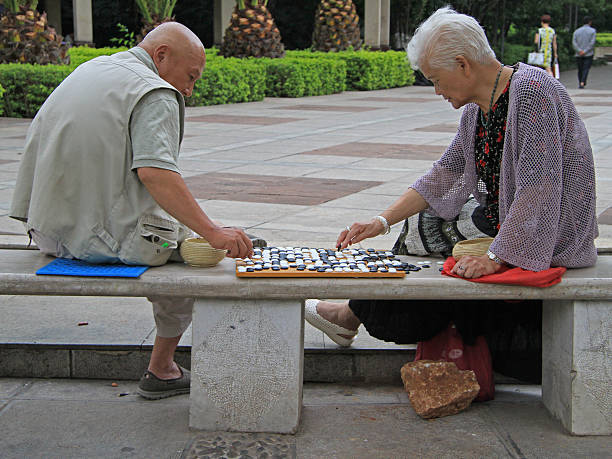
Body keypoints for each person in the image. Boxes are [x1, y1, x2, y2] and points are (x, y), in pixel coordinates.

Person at [305, 7, 597, 384]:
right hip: (507, 220)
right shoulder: (480, 106)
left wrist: (495, 257)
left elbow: (540, 189)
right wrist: (379, 222)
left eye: (436, 79)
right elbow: (445, 173)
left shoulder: (533, 92)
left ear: (462, 64)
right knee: (418, 229)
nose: (437, 90)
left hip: (549, 236)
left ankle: (351, 315)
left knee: (429, 243)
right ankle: (354, 314)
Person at [10, 22, 254, 399]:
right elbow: (156, 173)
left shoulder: (92, 68)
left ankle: (164, 367)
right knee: (196, 255)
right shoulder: (155, 91)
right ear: (161, 56)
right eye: (190, 77)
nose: (189, 89)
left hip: (47, 229)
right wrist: (213, 233)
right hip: (90, 241)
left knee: (181, 232)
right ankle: (162, 368)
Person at [573, 16, 597, 89]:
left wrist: (579, 50)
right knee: (586, 68)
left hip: (578, 54)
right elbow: (592, 43)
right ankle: (582, 82)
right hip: (588, 54)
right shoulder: (592, 31)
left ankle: (580, 81)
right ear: (590, 22)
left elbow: (574, 42)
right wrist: (585, 51)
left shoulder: (577, 31)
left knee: (580, 68)